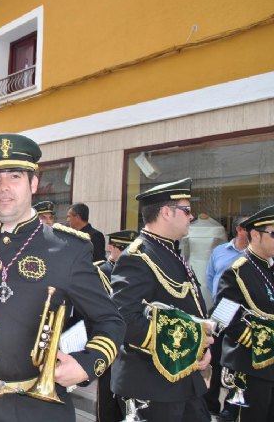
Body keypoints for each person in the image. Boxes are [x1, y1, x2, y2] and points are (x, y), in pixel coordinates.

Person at [0, 133, 125, 422]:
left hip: (35, 408)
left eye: (14, 176)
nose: (4, 188)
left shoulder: (68, 249)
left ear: (34, 183)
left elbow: (110, 320)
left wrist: (88, 364)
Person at [110, 178, 213, 422]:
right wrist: (194, 343)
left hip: (182, 379)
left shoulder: (169, 251)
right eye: (186, 210)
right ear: (166, 212)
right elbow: (126, 320)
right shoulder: (137, 256)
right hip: (152, 384)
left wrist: (201, 349)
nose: (191, 216)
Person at [213, 205, 274, 422]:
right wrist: (262, 339)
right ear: (255, 235)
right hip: (249, 368)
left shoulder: (269, 268)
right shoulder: (237, 271)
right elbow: (222, 317)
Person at [203, 215, 248, 421]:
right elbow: (211, 276)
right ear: (240, 229)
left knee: (235, 360)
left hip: (243, 316)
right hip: (220, 311)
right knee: (215, 355)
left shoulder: (255, 257)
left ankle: (232, 404)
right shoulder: (220, 251)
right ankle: (210, 403)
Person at [93, 229, 137, 422]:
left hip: (131, 341)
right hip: (111, 340)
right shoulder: (101, 271)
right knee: (108, 397)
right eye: (122, 248)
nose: (127, 251)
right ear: (111, 247)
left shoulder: (134, 270)